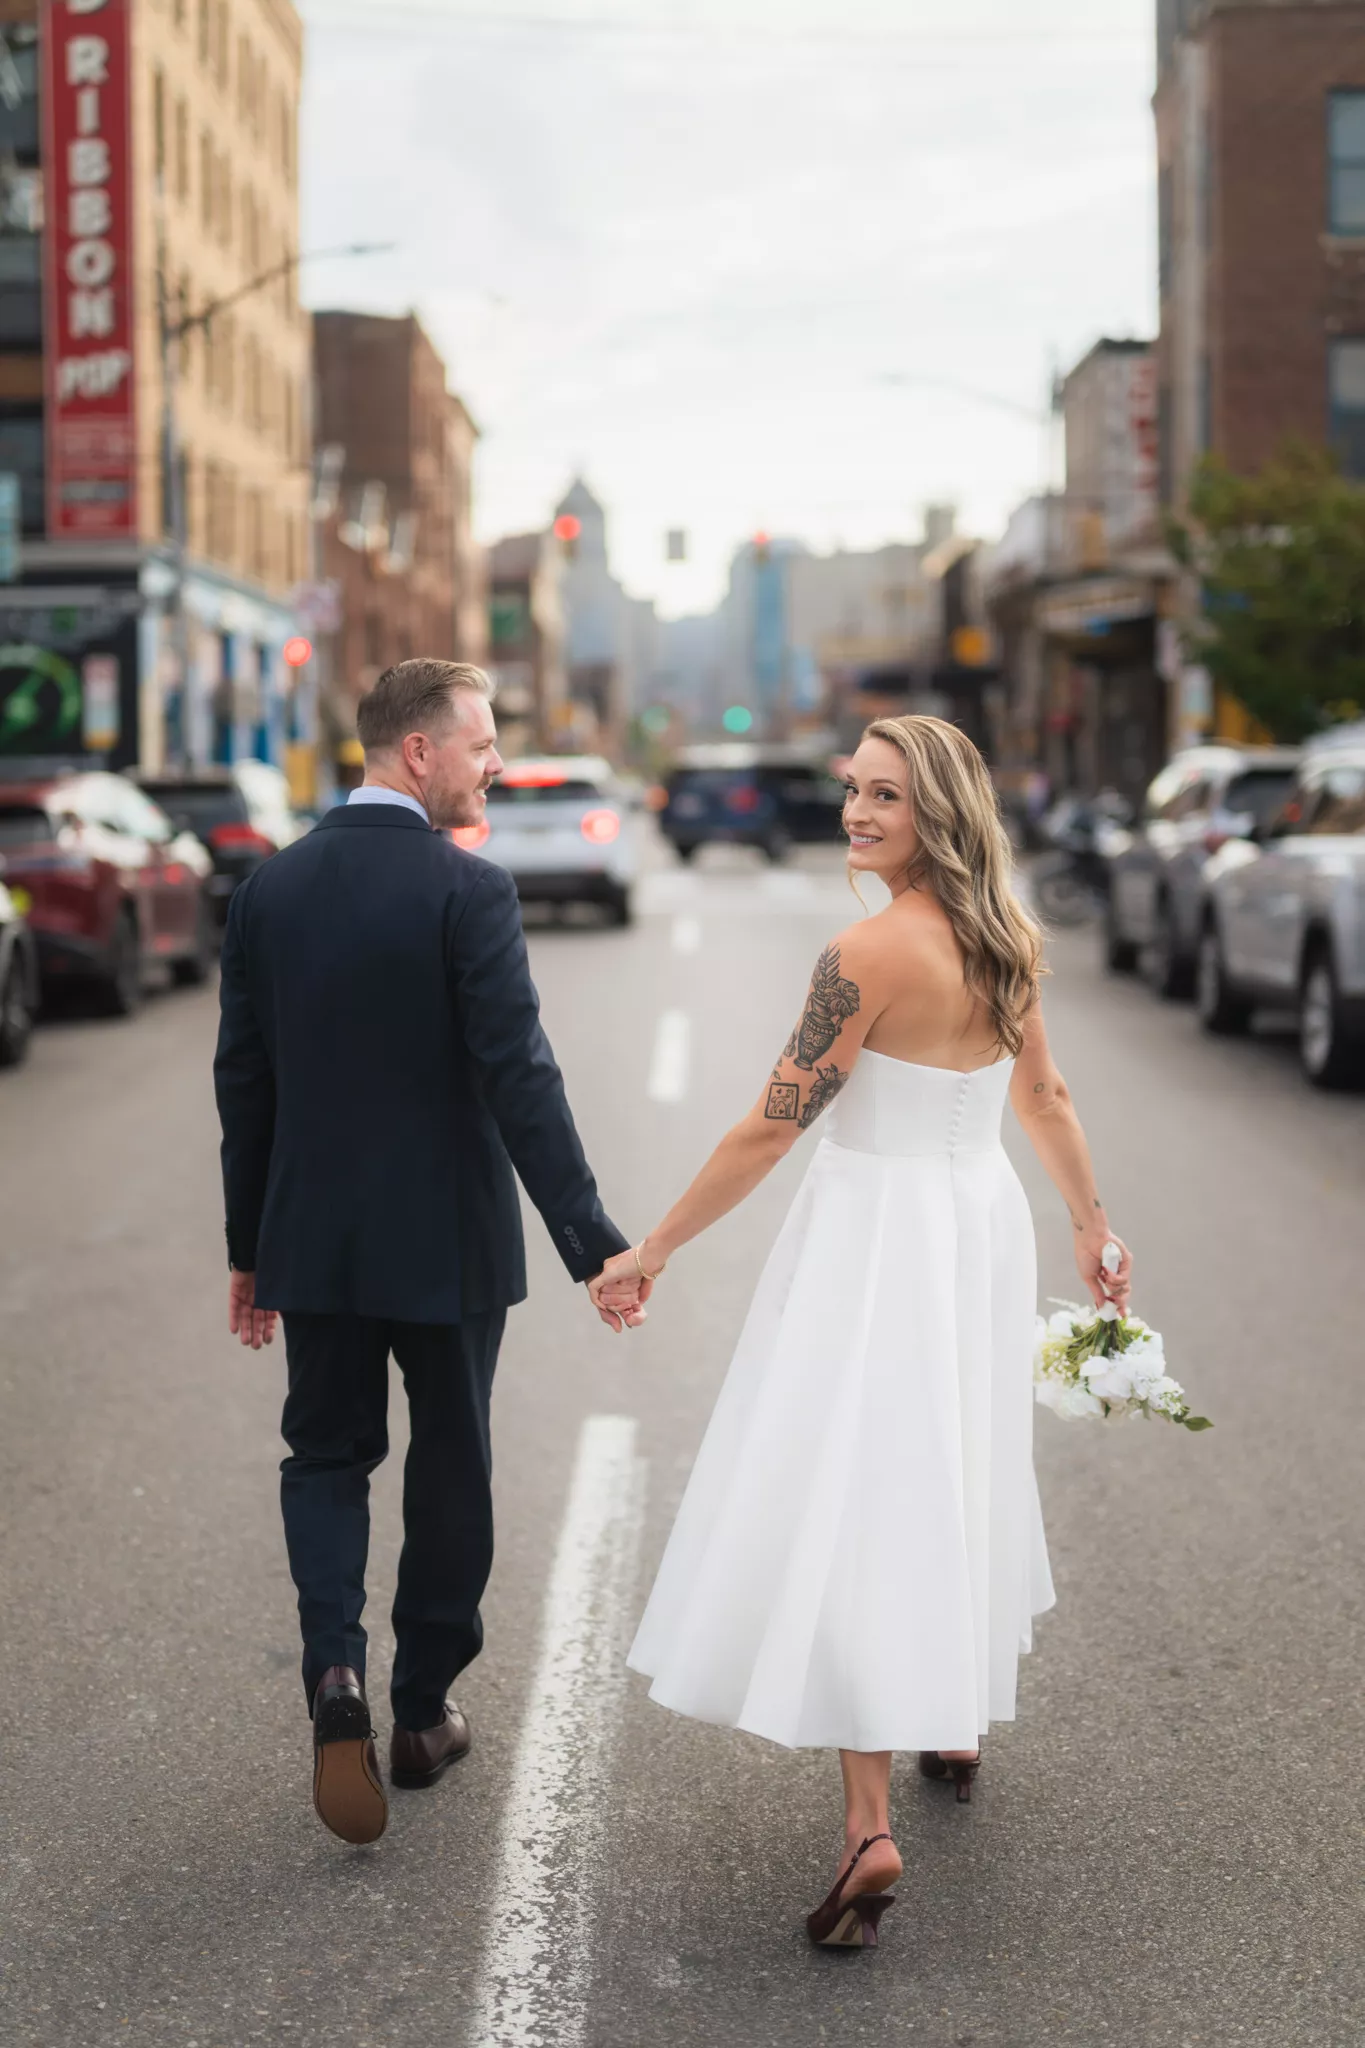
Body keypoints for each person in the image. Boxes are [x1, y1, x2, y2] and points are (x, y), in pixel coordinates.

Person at [591, 715, 1132, 1949]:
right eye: (854, 789)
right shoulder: (1005, 939)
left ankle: (866, 1829)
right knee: (954, 1458)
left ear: (937, 811)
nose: (856, 813)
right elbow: (1042, 1095)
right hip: (977, 1222)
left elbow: (772, 1123)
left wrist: (654, 1246)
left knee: (866, 1489)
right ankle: (955, 1714)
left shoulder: (865, 950)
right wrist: (1092, 1225)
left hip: (876, 1232)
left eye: (885, 795)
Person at [214, 658, 638, 1847]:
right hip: (447, 1241)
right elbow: (520, 1076)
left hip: (312, 1233)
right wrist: (591, 1241)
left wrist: (250, 1246)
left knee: (324, 1454)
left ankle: (335, 1670)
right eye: (482, 742)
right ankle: (420, 1710)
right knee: (452, 1454)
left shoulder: (268, 890)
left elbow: (244, 1082)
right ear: (419, 751)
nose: (494, 761)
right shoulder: (468, 889)